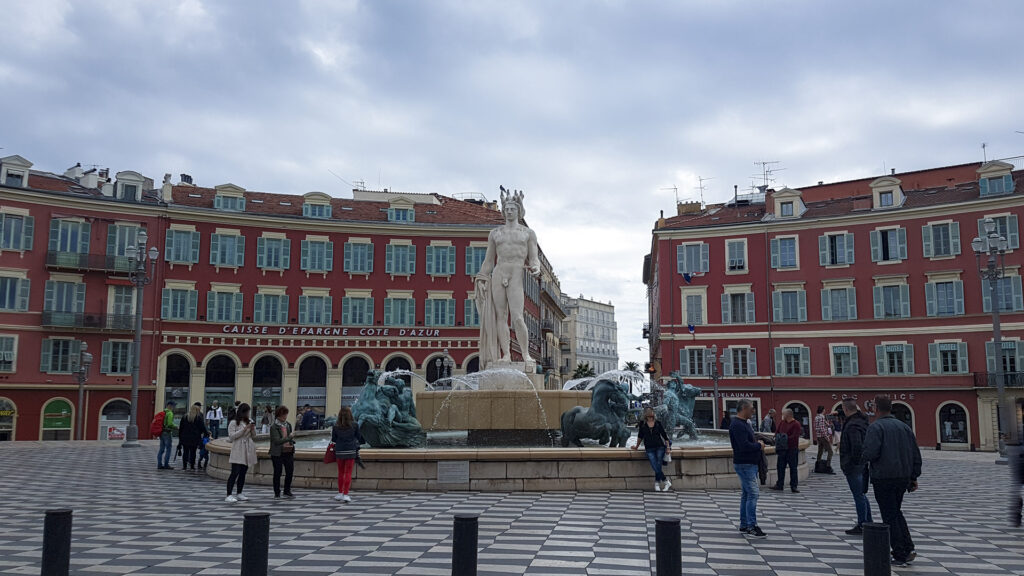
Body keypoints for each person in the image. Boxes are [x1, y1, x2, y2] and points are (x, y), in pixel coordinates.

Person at [473, 187, 542, 369]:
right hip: (499, 272)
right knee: (500, 316)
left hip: (516, 273)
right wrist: (481, 277)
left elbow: (534, 257)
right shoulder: (495, 233)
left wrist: (536, 267)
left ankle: (526, 354)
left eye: (513, 209)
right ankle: (505, 354)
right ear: (503, 211)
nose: (509, 211)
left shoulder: (528, 233)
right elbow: (489, 260)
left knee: (518, 317)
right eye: (507, 209)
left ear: (519, 211)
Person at [862, 395, 922, 568]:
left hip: (884, 476)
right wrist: (914, 476)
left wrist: (861, 459)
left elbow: (870, 453)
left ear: (876, 408)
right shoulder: (904, 427)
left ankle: (900, 553)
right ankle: (908, 547)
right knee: (896, 511)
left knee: (889, 514)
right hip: (902, 477)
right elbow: (915, 453)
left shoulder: (876, 427)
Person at [729, 399, 766, 539]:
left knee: (746, 495)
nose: (753, 411)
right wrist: (759, 446)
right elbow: (743, 446)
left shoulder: (743, 424)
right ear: (744, 408)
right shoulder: (738, 425)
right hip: (745, 464)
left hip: (747, 463)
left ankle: (744, 524)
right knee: (753, 494)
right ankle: (751, 526)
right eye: (751, 409)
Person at [839, 399, 872, 535]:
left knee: (858, 495)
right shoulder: (861, 421)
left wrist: (850, 462)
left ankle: (863, 523)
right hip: (861, 464)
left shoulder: (852, 425)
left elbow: (856, 446)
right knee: (861, 495)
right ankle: (867, 521)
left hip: (854, 466)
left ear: (846, 409)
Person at [631, 407, 673, 491]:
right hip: (649, 448)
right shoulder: (642, 424)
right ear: (645, 414)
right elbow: (640, 436)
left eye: (651, 412)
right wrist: (636, 446)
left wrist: (668, 448)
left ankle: (657, 483)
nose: (650, 414)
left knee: (657, 465)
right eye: (648, 412)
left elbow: (665, 436)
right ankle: (666, 481)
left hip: (659, 447)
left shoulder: (658, 423)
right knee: (655, 465)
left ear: (653, 414)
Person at [226, 403, 257, 503]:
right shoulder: (234, 423)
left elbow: (254, 436)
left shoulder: (249, 421)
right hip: (238, 448)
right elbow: (231, 437)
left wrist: (252, 429)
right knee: (235, 472)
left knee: (243, 472)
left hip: (247, 448)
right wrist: (244, 429)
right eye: (247, 412)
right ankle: (229, 494)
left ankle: (239, 492)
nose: (248, 414)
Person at [332, 406, 363, 503]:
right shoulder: (354, 425)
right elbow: (359, 437)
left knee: (340, 472)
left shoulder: (336, 426)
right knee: (348, 473)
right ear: (350, 414)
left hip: (340, 451)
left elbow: (334, 439)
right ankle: (346, 494)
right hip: (350, 451)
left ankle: (340, 493)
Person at [770, 408, 802, 493]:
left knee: (793, 468)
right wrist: (777, 437)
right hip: (782, 449)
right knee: (780, 467)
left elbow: (795, 436)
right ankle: (779, 484)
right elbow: (777, 431)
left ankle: (794, 486)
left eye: (783, 414)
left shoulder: (796, 424)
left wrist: (784, 439)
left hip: (792, 449)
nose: (782, 416)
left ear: (788, 415)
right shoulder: (782, 422)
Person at [269, 406, 296, 499]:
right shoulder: (274, 427)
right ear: (278, 415)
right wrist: (290, 438)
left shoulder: (288, 424)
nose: (285, 416)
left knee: (290, 471)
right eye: (283, 414)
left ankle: (287, 490)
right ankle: (277, 492)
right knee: (277, 472)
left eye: (286, 414)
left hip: (288, 451)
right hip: (277, 453)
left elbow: (289, 436)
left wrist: (291, 442)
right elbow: (276, 441)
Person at [178, 402, 208, 471]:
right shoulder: (198, 418)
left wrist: (180, 438)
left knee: (185, 452)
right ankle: (192, 466)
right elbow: (202, 428)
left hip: (185, 437)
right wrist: (206, 434)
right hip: (195, 438)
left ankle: (184, 466)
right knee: (193, 452)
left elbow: (181, 428)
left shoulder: (185, 417)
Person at [156, 401, 177, 470]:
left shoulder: (163, 412)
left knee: (161, 449)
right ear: (170, 406)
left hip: (161, 432)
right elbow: (169, 424)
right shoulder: (170, 413)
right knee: (168, 449)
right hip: (167, 433)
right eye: (174, 406)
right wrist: (176, 427)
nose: (174, 407)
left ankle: (159, 464)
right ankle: (166, 464)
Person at [814, 405, 834, 473]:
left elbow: (816, 427)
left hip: (819, 436)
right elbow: (822, 428)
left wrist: (827, 423)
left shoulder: (816, 417)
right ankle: (828, 466)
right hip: (823, 436)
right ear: (823, 410)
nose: (825, 410)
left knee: (820, 451)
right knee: (830, 451)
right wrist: (827, 437)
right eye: (824, 409)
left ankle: (818, 465)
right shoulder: (822, 417)